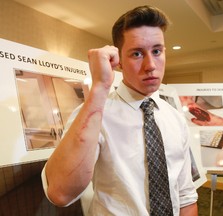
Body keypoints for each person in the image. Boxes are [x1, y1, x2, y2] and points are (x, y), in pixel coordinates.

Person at [41, 5, 198, 215]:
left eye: (157, 51)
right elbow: (60, 193)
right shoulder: (94, 114)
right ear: (119, 62)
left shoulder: (175, 119)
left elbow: (186, 195)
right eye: (137, 54)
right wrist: (100, 87)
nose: (151, 64)